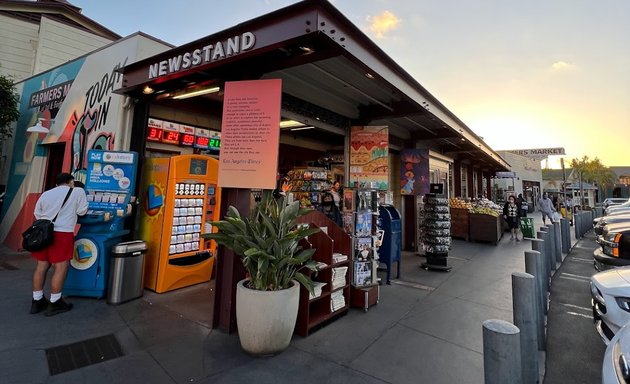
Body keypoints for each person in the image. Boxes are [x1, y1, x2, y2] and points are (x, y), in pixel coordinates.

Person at [30, 172, 88, 316]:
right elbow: (82, 211)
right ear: (70, 181)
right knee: (61, 267)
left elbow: (38, 214)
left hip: (43, 233)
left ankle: (37, 301)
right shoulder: (77, 191)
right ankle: (55, 302)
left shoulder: (46, 193)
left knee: (41, 266)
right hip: (63, 233)